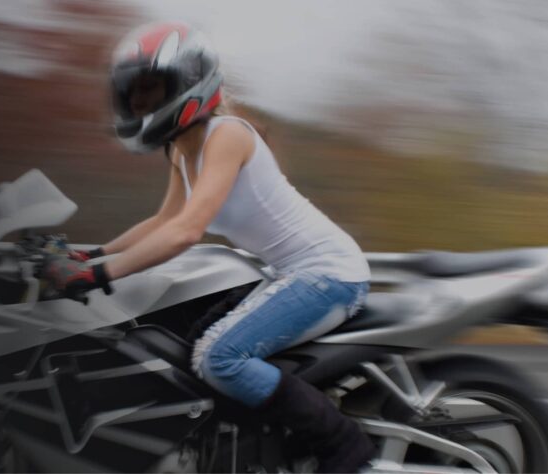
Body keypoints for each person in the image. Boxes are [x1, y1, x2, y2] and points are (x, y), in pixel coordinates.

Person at [46, 22, 375, 472]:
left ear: (186, 84)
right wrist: (93, 255)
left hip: (329, 274)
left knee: (219, 358)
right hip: (291, 274)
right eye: (132, 93)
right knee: (187, 349)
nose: (139, 102)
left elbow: (186, 232)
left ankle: (344, 445)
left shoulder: (228, 135)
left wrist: (98, 276)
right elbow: (163, 220)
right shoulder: (182, 148)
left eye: (150, 88)